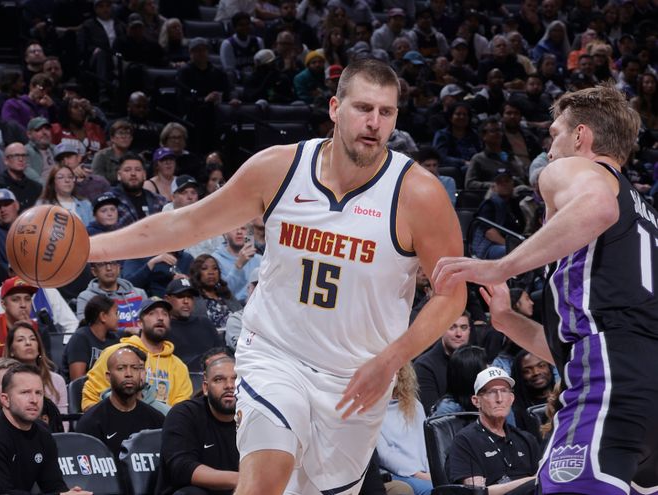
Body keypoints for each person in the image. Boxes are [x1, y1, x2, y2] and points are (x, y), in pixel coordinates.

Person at [88, 58, 466, 495]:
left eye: (386, 112)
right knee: (266, 478)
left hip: (357, 376)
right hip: (275, 352)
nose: (374, 122)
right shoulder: (280, 168)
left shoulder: (418, 194)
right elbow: (187, 223)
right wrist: (90, 249)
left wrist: (391, 360)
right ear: (335, 108)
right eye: (364, 108)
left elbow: (451, 295)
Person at [434, 83, 658, 494]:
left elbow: (597, 206)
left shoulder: (576, 170)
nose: (550, 150)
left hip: (611, 378)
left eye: (555, 134)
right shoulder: (645, 214)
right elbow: (579, 346)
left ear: (580, 136)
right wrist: (505, 319)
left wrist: (498, 265)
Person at [82, 297, 192, 411]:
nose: (160, 318)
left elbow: (181, 411)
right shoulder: (114, 353)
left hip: (162, 421)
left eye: (165, 314)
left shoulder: (179, 367)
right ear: (140, 323)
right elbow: (90, 397)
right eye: (152, 313)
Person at [0, 364, 92, 495]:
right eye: (25, 392)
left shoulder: (43, 433)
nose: (34, 400)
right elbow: (3, 492)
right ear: (5, 399)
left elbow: (53, 486)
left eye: (38, 393)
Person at [445, 367, 539, 494]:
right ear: (476, 401)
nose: (499, 399)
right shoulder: (465, 441)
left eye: (504, 391)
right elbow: (477, 492)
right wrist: (531, 481)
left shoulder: (526, 439)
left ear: (511, 398)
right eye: (491, 392)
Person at [156, 356, 239, 495]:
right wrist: (241, 479)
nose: (230, 386)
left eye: (235, 379)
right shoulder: (184, 413)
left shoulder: (252, 418)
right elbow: (182, 468)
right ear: (205, 388)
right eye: (219, 379)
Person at [75, 345, 165, 459]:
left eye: (135, 368)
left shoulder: (157, 420)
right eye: (121, 368)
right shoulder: (91, 422)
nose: (129, 374)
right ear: (108, 376)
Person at [377, 363, 432, 495]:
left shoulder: (415, 405)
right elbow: (384, 455)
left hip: (425, 472)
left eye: (396, 369)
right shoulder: (370, 411)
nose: (393, 373)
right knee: (430, 490)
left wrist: (431, 472)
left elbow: (426, 445)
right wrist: (418, 474)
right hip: (395, 473)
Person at [5, 321, 68, 415]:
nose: (28, 343)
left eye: (33, 339)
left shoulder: (57, 380)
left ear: (39, 348)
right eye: (20, 340)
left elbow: (63, 420)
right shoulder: (4, 380)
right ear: (11, 350)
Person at [164, 278, 225, 367]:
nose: (186, 301)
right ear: (167, 299)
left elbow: (222, 355)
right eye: (180, 296)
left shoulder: (205, 323)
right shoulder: (163, 328)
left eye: (190, 297)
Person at [75, 261, 147, 333]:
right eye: (102, 264)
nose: (109, 268)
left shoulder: (139, 293)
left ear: (118, 268)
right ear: (94, 271)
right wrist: (125, 331)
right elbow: (86, 329)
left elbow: (148, 322)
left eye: (113, 263)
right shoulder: (86, 297)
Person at [63, 294, 121, 381]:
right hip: (86, 388)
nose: (118, 318)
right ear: (103, 316)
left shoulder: (114, 339)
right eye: (116, 313)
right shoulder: (80, 338)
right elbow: (77, 380)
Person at [190, 254, 243, 330]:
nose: (211, 272)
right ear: (197, 273)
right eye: (204, 268)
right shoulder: (193, 298)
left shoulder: (226, 294)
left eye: (215, 268)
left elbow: (242, 316)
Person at [0, 142, 44, 212]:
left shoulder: (36, 188)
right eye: (16, 155)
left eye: (24, 155)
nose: (21, 159)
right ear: (6, 160)